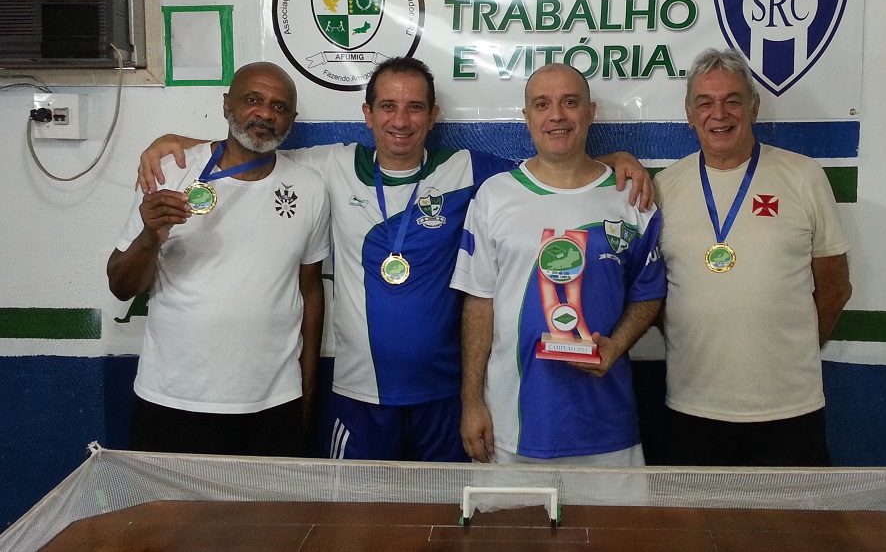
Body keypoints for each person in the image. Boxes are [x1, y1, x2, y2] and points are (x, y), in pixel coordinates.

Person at [136, 56, 653, 462]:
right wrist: (179, 142)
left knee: (446, 528)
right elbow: (254, 146)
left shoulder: (469, 169)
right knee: (358, 531)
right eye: (387, 106)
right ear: (368, 114)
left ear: (433, 115)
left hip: (445, 398)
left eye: (414, 107)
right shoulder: (330, 165)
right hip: (359, 397)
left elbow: (553, 166)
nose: (400, 121)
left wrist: (614, 160)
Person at [107, 62, 331, 457]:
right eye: (252, 100)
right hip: (173, 397)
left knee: (266, 503)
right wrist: (150, 238)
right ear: (227, 104)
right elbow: (121, 286)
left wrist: (307, 387)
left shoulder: (310, 188)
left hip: (274, 401)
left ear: (291, 120)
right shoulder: (171, 171)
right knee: (167, 503)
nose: (265, 113)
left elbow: (310, 291)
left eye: (279, 107)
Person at [451, 63, 666, 465]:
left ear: (590, 112)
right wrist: (472, 401)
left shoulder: (631, 198)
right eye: (542, 104)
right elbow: (479, 303)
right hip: (511, 427)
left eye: (570, 102)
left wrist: (617, 345)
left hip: (608, 430)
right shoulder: (495, 195)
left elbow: (649, 293)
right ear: (527, 116)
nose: (556, 116)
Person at [653, 47, 852, 466]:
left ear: (754, 108)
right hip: (693, 405)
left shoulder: (803, 176)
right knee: (696, 513)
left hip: (790, 408)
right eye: (705, 102)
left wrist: (790, 350)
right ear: (689, 114)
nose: (719, 114)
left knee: (793, 513)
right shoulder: (665, 187)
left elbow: (836, 286)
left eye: (733, 100)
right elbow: (652, 293)